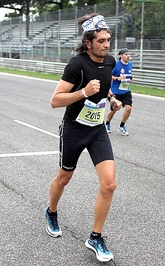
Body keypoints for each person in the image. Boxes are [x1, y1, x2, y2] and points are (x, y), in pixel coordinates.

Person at [44, 13, 122, 263]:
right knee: (64, 177)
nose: (106, 45)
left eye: (108, 39)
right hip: (74, 129)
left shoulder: (109, 62)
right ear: (88, 42)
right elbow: (55, 101)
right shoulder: (76, 64)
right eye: (101, 40)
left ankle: (95, 237)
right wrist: (83, 92)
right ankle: (51, 212)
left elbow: (104, 84)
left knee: (109, 184)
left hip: (97, 129)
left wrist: (111, 99)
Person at [105, 48, 134, 136]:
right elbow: (108, 76)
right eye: (126, 54)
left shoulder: (130, 64)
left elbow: (128, 75)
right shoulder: (116, 65)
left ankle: (122, 126)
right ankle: (107, 123)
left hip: (125, 90)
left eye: (129, 54)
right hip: (115, 91)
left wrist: (131, 78)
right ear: (121, 56)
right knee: (114, 110)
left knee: (129, 108)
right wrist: (117, 78)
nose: (128, 56)